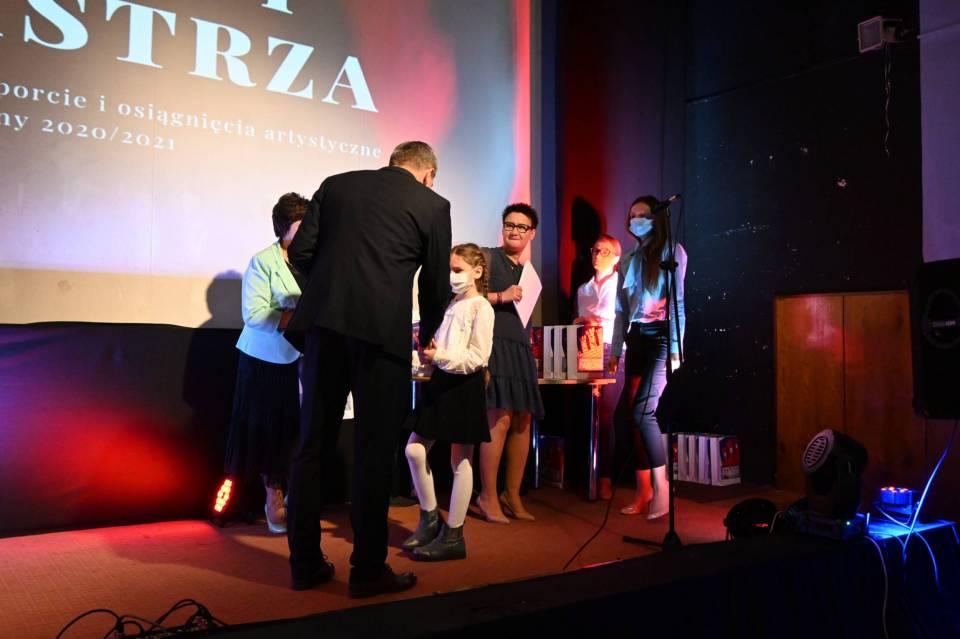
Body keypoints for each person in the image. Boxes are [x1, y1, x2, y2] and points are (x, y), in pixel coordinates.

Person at [284, 141, 452, 597]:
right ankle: (368, 570)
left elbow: (299, 253)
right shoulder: (432, 204)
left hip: (324, 327)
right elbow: (435, 285)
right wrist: (428, 333)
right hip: (381, 335)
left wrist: (329, 290)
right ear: (428, 173)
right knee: (374, 453)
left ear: (393, 161)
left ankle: (304, 565)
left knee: (311, 445)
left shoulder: (336, 185)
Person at [402, 244, 494, 561]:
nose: (452, 276)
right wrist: (427, 357)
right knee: (414, 450)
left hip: (464, 385)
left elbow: (477, 357)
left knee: (461, 460)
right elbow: (440, 345)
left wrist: (439, 356)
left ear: (476, 272)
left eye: (458, 270)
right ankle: (430, 519)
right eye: (450, 270)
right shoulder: (450, 304)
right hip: (441, 382)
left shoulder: (482, 307)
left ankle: (454, 534)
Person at [223, 192, 306, 534]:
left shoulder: (316, 260)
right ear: (284, 227)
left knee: (299, 433)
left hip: (305, 359)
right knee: (270, 432)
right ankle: (273, 498)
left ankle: (300, 497)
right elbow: (255, 315)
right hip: (265, 361)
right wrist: (298, 317)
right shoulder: (263, 261)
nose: (310, 230)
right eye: (302, 225)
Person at [609, 196, 686, 519]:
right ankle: (646, 490)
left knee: (644, 410)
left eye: (642, 215)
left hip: (661, 336)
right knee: (629, 415)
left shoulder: (672, 251)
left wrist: (676, 349)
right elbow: (620, 310)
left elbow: (678, 302)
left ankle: (662, 487)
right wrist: (615, 350)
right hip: (636, 337)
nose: (636, 220)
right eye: (631, 216)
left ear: (656, 218)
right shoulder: (628, 259)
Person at [476, 203, 546, 524]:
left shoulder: (528, 272)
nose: (514, 231)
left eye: (521, 227)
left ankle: (512, 494)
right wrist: (500, 296)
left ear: (532, 233)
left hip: (520, 348)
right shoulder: (487, 257)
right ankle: (487, 495)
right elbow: (463, 295)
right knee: (499, 419)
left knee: (523, 421)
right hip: (494, 345)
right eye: (509, 225)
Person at [573, 233, 623, 500]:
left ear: (616, 258)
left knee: (605, 414)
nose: (597, 255)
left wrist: (593, 319)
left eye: (604, 251)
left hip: (613, 350)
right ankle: (589, 474)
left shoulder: (621, 284)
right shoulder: (584, 289)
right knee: (590, 412)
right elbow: (582, 320)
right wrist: (582, 321)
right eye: (595, 250)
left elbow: (619, 318)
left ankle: (605, 476)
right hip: (588, 348)